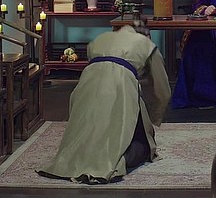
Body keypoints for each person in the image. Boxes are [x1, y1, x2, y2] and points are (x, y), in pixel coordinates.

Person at [38, 23, 171, 184]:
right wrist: (155, 117)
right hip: (120, 87)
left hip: (86, 85)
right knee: (142, 146)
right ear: (146, 35)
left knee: (85, 132)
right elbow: (162, 90)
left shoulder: (99, 39)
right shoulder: (147, 45)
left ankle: (73, 159)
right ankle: (115, 161)